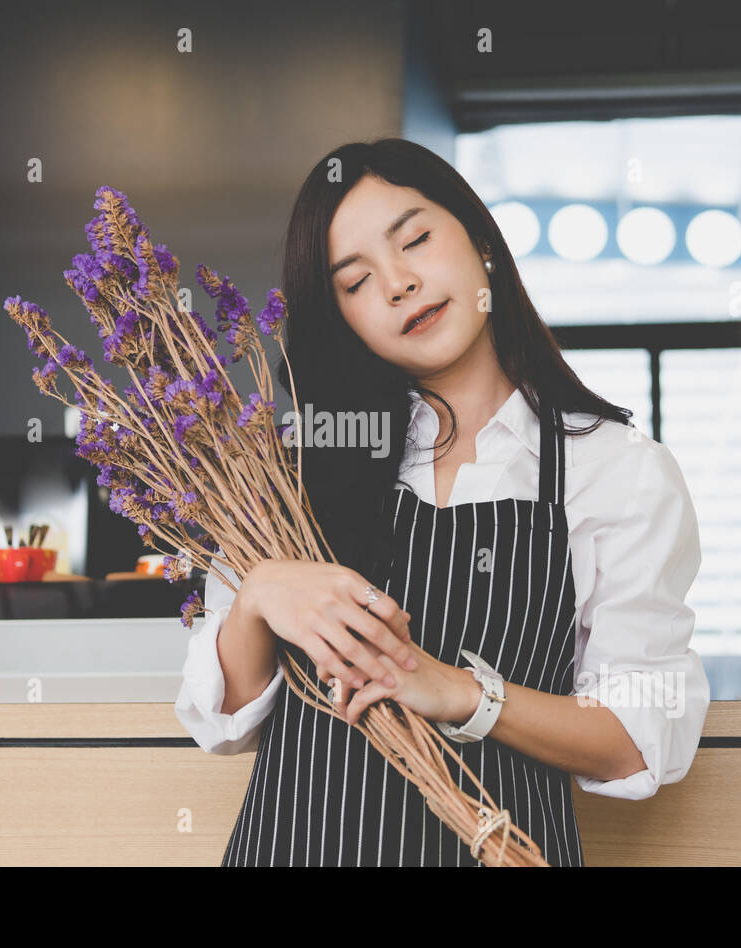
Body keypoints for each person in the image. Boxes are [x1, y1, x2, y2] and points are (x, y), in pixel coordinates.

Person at [175, 137, 709, 867]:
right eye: (355, 281)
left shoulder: (615, 470)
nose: (397, 284)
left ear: (481, 241)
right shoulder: (283, 477)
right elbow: (223, 724)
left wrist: (461, 692)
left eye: (416, 239)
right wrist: (260, 593)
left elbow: (637, 739)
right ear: (341, 320)